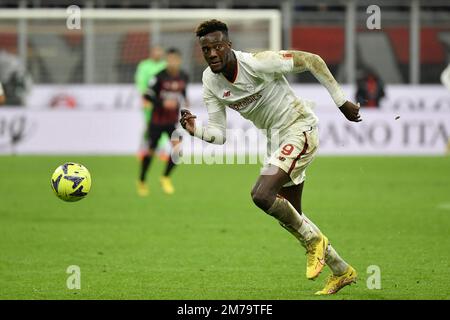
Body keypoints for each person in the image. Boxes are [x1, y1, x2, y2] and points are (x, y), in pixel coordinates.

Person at [180, 20, 361, 295]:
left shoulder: (258, 63)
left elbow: (312, 60)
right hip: (276, 142)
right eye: (206, 49)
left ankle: (314, 243)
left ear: (228, 45)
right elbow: (219, 134)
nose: (213, 53)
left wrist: (341, 102)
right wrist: (196, 130)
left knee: (261, 195)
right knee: (292, 216)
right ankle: (341, 270)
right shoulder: (210, 81)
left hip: (300, 129)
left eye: (218, 46)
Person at [138, 48, 189, 196]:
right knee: (150, 152)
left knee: (178, 150)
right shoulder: (158, 77)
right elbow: (147, 95)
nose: (172, 63)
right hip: (156, 121)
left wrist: (186, 100)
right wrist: (162, 103)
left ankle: (165, 178)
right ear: (166, 60)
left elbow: (182, 90)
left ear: (179, 61)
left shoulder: (184, 76)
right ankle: (142, 180)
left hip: (171, 121)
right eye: (169, 60)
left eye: (175, 60)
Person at [134, 46, 169, 160]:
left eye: (160, 51)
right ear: (151, 53)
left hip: (162, 101)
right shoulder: (144, 65)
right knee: (149, 126)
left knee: (163, 125)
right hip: (149, 100)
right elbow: (141, 82)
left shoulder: (165, 65)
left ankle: (162, 150)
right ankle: (143, 149)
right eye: (156, 51)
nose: (158, 53)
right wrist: (144, 98)